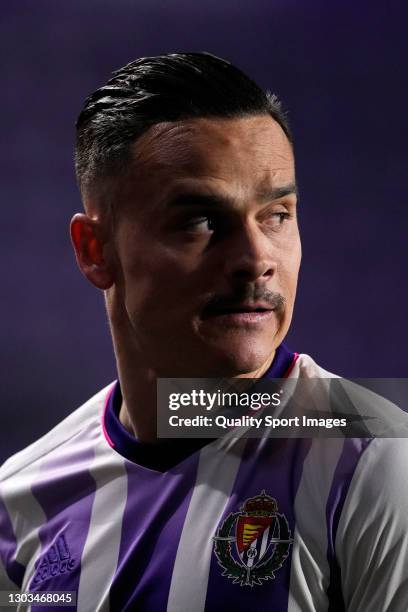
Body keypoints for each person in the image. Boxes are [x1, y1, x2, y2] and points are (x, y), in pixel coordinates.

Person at [1, 52, 407, 612]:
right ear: (95, 251)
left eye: (277, 214)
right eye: (200, 220)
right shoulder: (20, 501)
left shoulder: (374, 459)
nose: (256, 258)